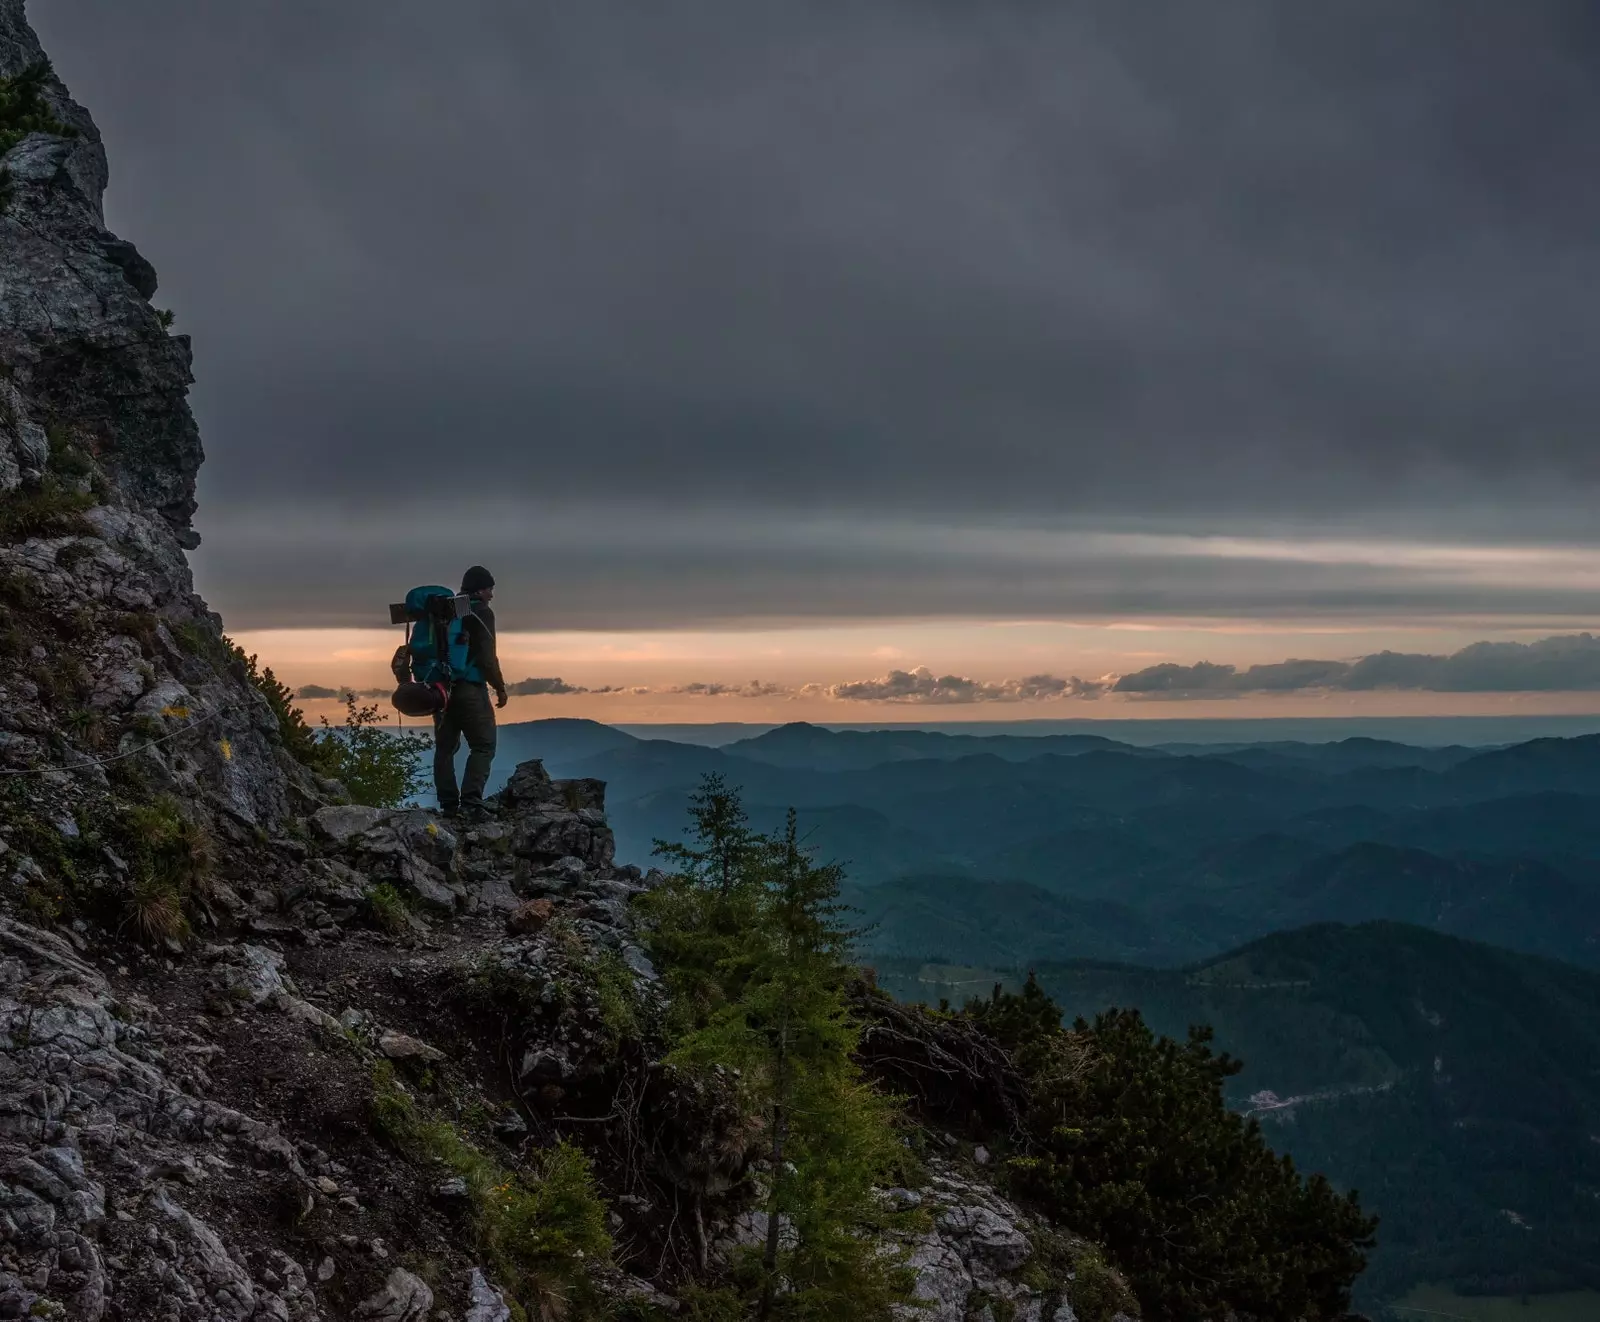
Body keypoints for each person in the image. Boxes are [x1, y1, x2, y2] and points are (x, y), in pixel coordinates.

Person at [433, 565, 509, 820]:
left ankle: (449, 806)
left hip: (441, 690)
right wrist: (499, 687)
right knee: (484, 745)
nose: (491, 595)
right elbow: (487, 658)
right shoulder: (481, 613)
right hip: (469, 689)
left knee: (445, 748)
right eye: (489, 589)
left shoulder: (447, 609)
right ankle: (471, 804)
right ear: (480, 589)